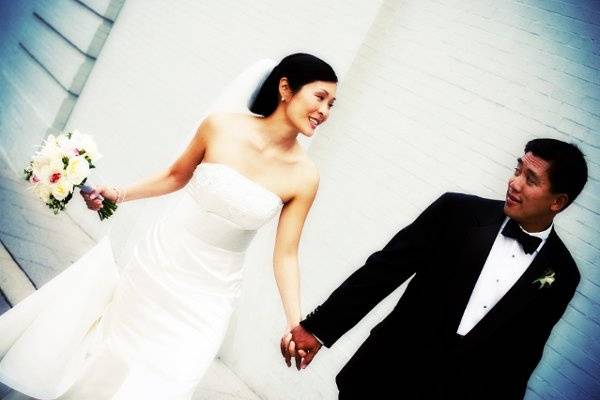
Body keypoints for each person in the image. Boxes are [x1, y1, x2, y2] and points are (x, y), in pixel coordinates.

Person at [0, 53, 337, 399]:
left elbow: (286, 255)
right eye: (320, 97)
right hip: (160, 264)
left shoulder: (305, 176)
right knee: (116, 358)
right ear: (286, 88)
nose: (324, 112)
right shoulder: (220, 126)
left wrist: (296, 323)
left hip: (212, 294)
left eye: (332, 104)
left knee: (173, 380)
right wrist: (118, 193)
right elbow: (176, 176)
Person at [283, 138, 588, 399]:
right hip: (384, 376)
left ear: (557, 202)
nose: (514, 182)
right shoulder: (457, 212)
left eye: (531, 179)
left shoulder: (561, 272)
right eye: (517, 169)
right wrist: (318, 328)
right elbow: (383, 270)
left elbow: (522, 355)